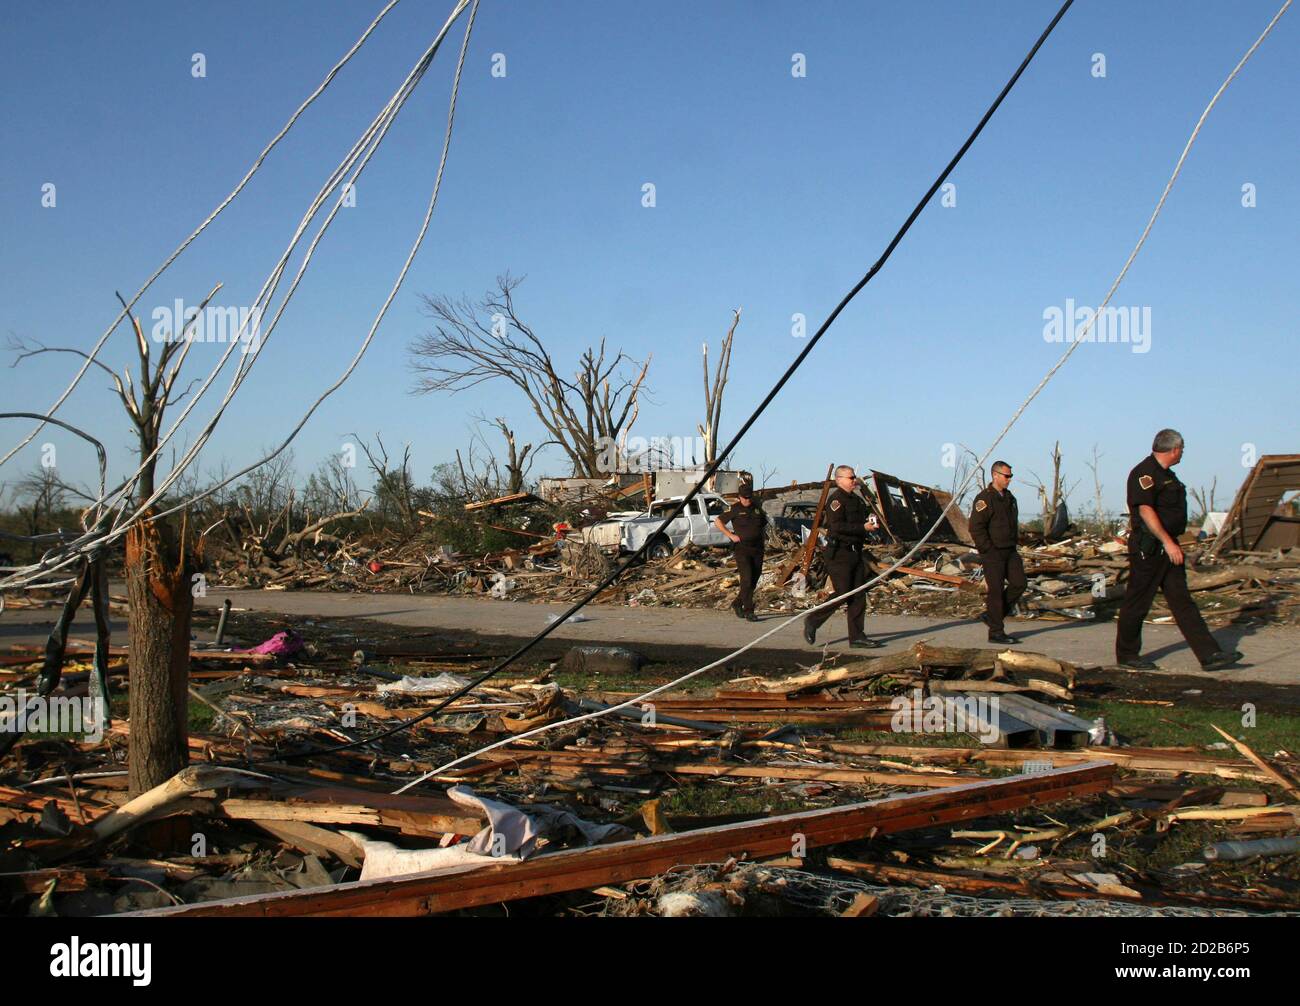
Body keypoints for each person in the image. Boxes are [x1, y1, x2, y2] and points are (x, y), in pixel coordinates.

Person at [1115, 429, 1242, 671]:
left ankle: (1210, 655)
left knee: (1182, 601)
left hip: (1167, 546)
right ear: (1174, 449)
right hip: (1150, 548)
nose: (1182, 452)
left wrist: (1171, 542)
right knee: (1138, 601)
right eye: (1182, 449)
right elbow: (1145, 511)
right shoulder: (1145, 473)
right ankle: (1127, 655)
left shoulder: (1168, 476)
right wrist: (1167, 542)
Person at [803, 465, 884, 649]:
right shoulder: (836, 500)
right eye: (850, 477)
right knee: (843, 593)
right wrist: (862, 528)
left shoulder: (856, 500)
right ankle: (813, 620)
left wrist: (870, 521)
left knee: (858, 595)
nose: (854, 480)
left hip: (855, 552)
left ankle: (857, 637)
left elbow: (861, 520)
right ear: (839, 480)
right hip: (839, 553)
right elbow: (836, 527)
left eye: (854, 477)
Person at [969, 461, 1024, 644]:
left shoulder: (1010, 498)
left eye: (1010, 476)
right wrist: (987, 549)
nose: (1009, 479)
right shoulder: (984, 499)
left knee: (1019, 583)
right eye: (1006, 476)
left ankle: (992, 616)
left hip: (1010, 550)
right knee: (996, 591)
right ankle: (996, 632)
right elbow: (976, 527)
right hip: (993, 552)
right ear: (995, 475)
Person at [713, 482, 767, 621]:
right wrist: (730, 535)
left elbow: (763, 524)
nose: (747, 500)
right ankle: (749, 610)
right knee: (747, 579)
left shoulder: (757, 508)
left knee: (754, 580)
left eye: (749, 497)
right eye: (744, 498)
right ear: (739, 497)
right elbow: (718, 521)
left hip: (757, 549)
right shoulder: (735, 509)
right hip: (742, 549)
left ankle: (737, 603)